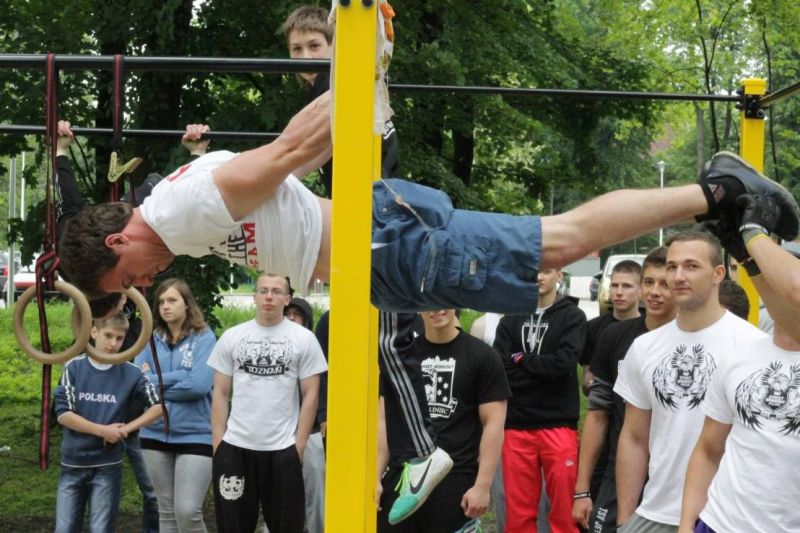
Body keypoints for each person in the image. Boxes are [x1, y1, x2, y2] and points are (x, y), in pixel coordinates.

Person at [56, 89, 799, 522]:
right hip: (383, 263)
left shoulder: (178, 214)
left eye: (127, 279)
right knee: (540, 255)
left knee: (555, 245)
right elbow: (280, 156)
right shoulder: (167, 213)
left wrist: (360, 79)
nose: (143, 285)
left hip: (387, 243)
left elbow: (288, 152)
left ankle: (718, 194)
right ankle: (725, 204)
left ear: (119, 241)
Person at [613, 231, 766, 532]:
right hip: (654, 511)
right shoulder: (645, 348)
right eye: (672, 266)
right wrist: (626, 518)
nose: (678, 276)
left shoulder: (753, 346)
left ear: (718, 273)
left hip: (725, 518)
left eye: (692, 266)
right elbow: (634, 438)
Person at [675, 196, 800, 533]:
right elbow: (708, 449)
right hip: (720, 524)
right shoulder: (741, 357)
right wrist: (687, 524)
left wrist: (753, 233)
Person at [209, 273, 327, 533]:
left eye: (276, 291)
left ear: (287, 298)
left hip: (283, 449)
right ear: (255, 296)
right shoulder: (232, 337)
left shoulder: (303, 339)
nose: (269, 297)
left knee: (287, 526)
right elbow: (220, 392)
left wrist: (299, 445)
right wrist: (219, 444)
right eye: (263, 291)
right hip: (236, 448)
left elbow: (311, 394)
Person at [377, 309, 510, 532]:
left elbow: (493, 424)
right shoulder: (400, 358)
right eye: (429, 302)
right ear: (417, 306)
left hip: (455, 480)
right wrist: (375, 476)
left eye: (443, 301)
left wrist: (482, 485)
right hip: (404, 477)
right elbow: (383, 421)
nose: (437, 309)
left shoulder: (483, 356)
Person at [572, 247, 676, 533]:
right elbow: (597, 414)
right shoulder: (616, 335)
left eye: (664, 284)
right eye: (648, 282)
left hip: (671, 477)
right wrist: (582, 489)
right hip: (617, 468)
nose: (655, 291)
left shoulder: (690, 342)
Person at [494, 268, 587, 532]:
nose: (538, 277)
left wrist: (521, 359)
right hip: (516, 425)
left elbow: (563, 365)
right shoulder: (510, 319)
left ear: (559, 274)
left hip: (558, 424)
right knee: (518, 512)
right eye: (531, 271)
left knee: (563, 512)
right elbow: (500, 368)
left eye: (545, 270)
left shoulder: (573, 317)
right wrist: (540, 370)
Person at [53, 313, 162, 533]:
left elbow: (158, 407)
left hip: (107, 465)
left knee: (101, 528)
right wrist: (102, 430)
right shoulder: (74, 367)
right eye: (108, 336)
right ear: (93, 332)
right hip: (74, 463)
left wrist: (125, 429)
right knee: (64, 528)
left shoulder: (131, 372)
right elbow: (63, 414)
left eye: (119, 338)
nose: (113, 344)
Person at [133, 278, 216, 532]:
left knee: (188, 511)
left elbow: (199, 386)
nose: (165, 307)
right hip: (154, 433)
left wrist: (158, 383)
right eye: (160, 302)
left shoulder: (205, 338)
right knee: (166, 514)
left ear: (187, 304)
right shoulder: (148, 339)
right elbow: (139, 384)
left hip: (196, 434)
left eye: (172, 300)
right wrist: (179, 376)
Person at [282, 296, 327, 533]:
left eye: (296, 315)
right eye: (287, 314)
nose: (291, 318)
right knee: (276, 494)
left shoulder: (314, 347)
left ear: (306, 320)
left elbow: (324, 385)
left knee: (316, 492)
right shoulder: (269, 346)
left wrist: (323, 417)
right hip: (277, 434)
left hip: (310, 433)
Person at [582, 260, 642, 395]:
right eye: (614, 285)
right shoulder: (593, 327)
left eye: (627, 286)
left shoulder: (649, 328)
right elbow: (587, 384)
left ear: (641, 290)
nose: (619, 292)